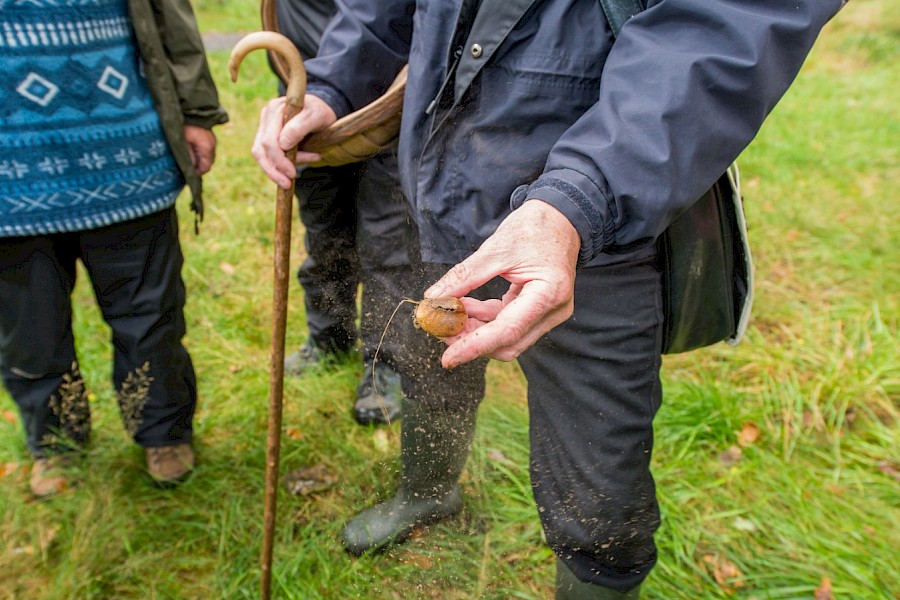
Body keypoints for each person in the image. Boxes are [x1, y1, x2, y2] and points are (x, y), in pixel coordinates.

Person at [252, 0, 844, 596]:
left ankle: (597, 571)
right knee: (432, 366)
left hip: (605, 224)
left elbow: (723, 27)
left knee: (599, 464)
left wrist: (583, 196)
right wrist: (335, 85)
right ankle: (428, 492)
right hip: (436, 182)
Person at [0, 0, 227, 497]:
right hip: (8, 177)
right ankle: (56, 442)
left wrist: (195, 110)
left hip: (127, 156)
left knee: (150, 317)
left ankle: (162, 434)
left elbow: (169, 13)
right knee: (28, 329)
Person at [271, 0, 412, 425]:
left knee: (390, 243)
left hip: (395, 101)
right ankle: (329, 338)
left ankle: (385, 364)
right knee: (324, 230)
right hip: (307, 101)